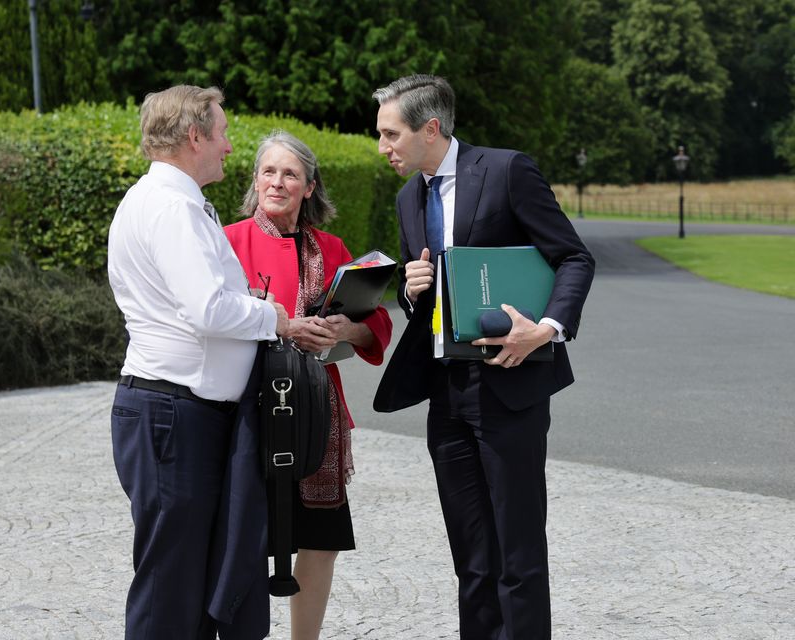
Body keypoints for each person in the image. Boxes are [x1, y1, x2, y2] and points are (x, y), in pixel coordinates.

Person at [372, 74, 595, 639]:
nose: (383, 147)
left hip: (510, 383)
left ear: (430, 127)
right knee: (471, 559)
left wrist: (544, 330)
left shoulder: (506, 170)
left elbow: (573, 258)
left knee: (517, 558)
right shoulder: (407, 198)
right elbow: (418, 296)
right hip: (445, 394)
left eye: (390, 134)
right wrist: (410, 287)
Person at [107, 85, 291, 639]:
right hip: (172, 414)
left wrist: (254, 308)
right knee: (170, 589)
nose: (230, 146)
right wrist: (274, 318)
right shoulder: (171, 206)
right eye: (223, 131)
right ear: (194, 136)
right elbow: (208, 308)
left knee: (193, 581)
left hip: (180, 412)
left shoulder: (173, 202)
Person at [224, 130, 393, 640]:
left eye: (290, 174)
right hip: (248, 406)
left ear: (309, 186)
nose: (277, 182)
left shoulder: (333, 248)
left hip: (318, 411)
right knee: (245, 535)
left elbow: (375, 322)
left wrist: (349, 329)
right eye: (268, 172)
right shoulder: (227, 241)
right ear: (255, 181)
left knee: (319, 541)